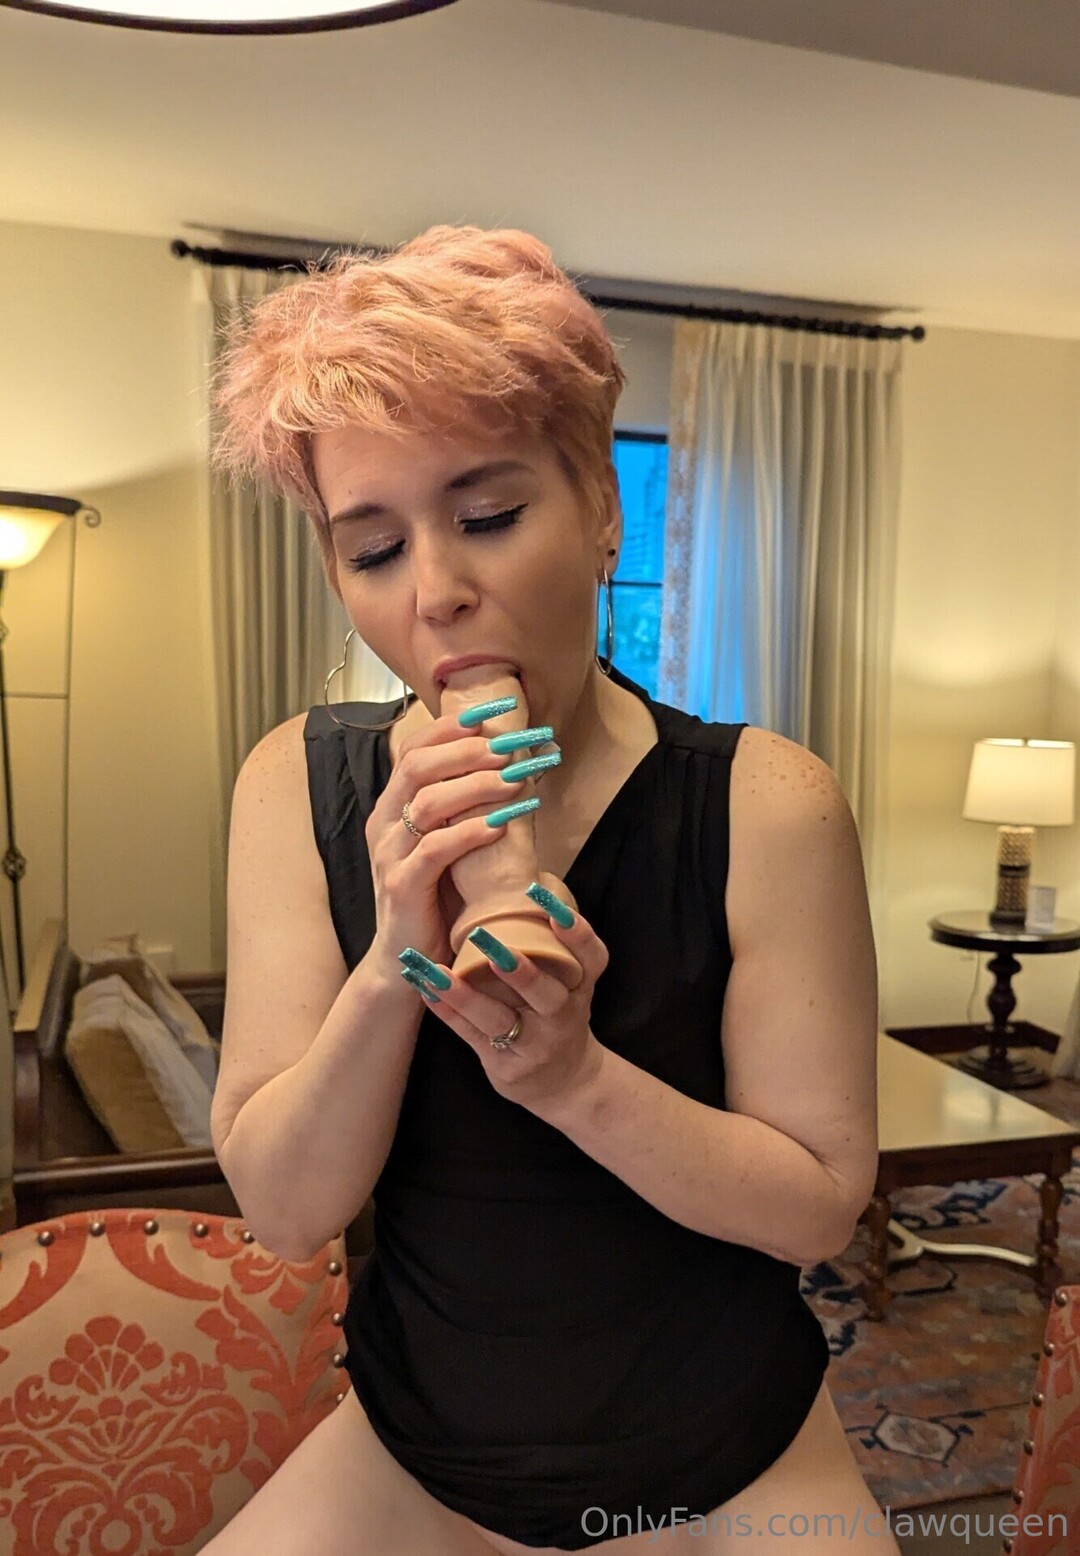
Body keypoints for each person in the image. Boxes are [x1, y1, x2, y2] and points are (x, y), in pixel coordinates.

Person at [204, 224, 896, 1555]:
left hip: (728, 1457)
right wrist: (392, 958)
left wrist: (574, 1078)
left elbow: (818, 1207)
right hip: (416, 1452)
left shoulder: (769, 802)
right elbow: (285, 1212)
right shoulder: (296, 783)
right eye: (374, 548)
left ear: (602, 510)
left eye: (488, 518)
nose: (438, 595)